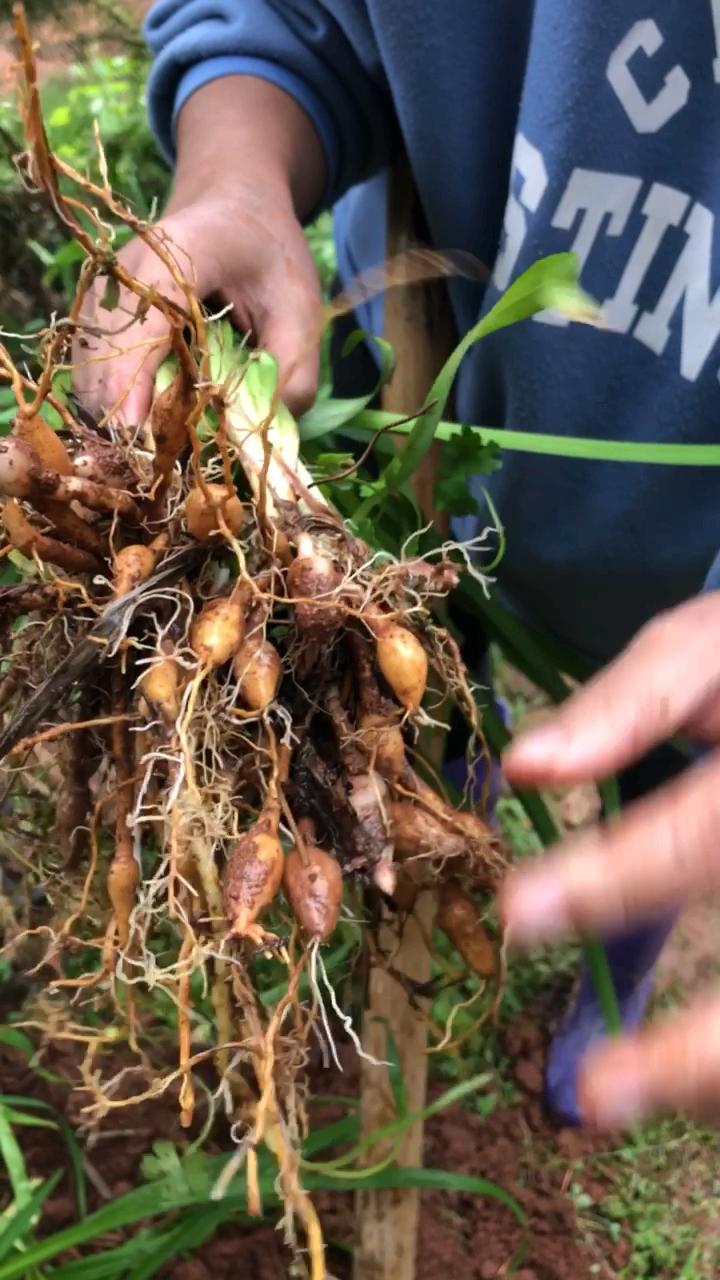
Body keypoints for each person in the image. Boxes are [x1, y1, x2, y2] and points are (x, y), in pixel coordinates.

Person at [72, 0, 720, 1129]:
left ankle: (611, 991)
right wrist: (236, 161)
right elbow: (290, 17)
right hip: (426, 483)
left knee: (661, 783)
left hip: (688, 612)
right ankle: (431, 841)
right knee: (420, 711)